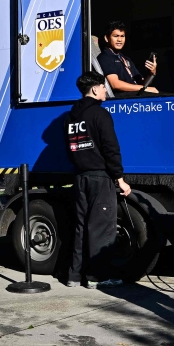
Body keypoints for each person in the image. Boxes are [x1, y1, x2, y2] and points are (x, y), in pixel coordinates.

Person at [64, 71, 132, 289]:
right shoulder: (100, 115)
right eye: (103, 87)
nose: (105, 90)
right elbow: (111, 148)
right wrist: (119, 179)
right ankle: (98, 277)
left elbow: (70, 148)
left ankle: (74, 277)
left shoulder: (71, 117)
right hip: (100, 178)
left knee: (81, 227)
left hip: (80, 176)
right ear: (94, 89)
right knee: (102, 228)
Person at [96, 21, 158, 95]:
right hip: (124, 100)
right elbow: (115, 84)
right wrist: (144, 88)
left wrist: (151, 73)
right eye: (116, 36)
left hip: (137, 94)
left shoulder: (126, 59)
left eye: (122, 36)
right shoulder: (105, 57)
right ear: (106, 38)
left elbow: (142, 83)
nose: (119, 40)